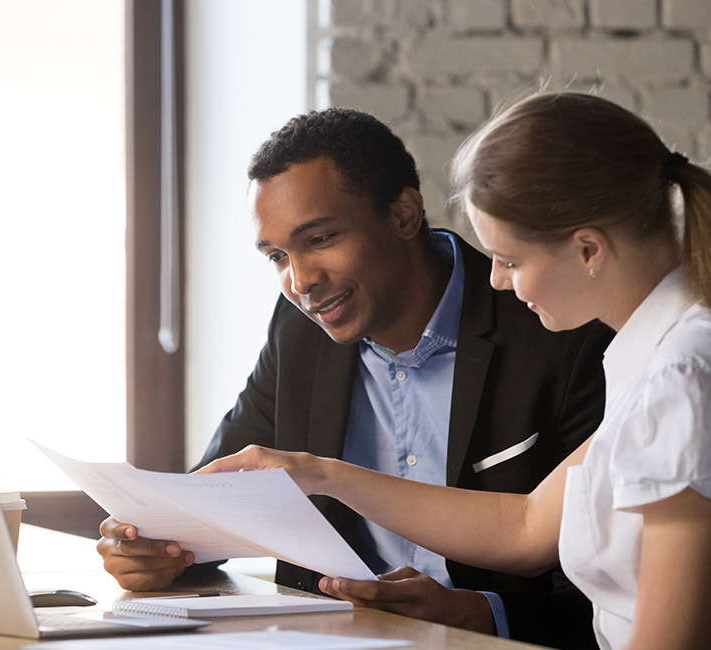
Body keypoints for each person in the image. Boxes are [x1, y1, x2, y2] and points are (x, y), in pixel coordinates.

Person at [198, 93, 711, 649]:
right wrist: (317, 473)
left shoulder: (687, 380)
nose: (494, 280)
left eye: (507, 259)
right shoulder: (662, 357)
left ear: (587, 250)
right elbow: (524, 527)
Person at [97, 107, 613, 648]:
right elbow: (218, 494)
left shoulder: (561, 335)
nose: (301, 282)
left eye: (319, 239)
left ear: (404, 214)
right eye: (277, 256)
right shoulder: (299, 332)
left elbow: (616, 586)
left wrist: (482, 614)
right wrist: (156, 549)